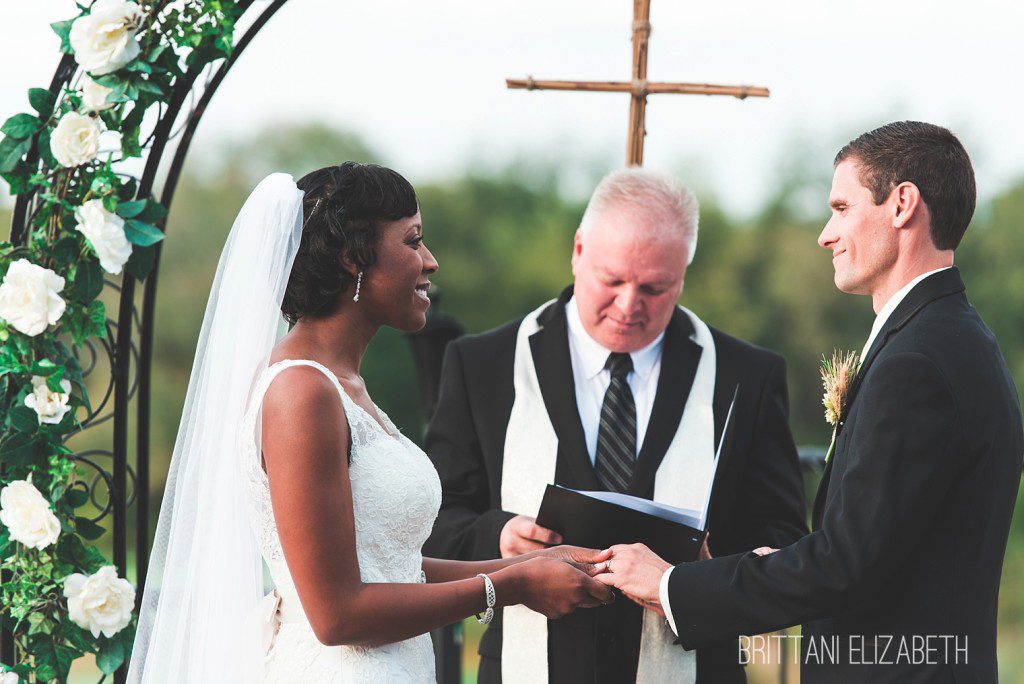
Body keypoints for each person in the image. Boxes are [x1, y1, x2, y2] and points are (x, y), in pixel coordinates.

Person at [127, 163, 614, 683]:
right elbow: (337, 617)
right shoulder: (302, 392)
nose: (431, 261)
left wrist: (528, 566)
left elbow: (393, 567)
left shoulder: (344, 385)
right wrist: (512, 588)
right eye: (413, 241)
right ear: (352, 257)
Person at [595, 122, 1024, 683]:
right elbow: (884, 544)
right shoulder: (954, 337)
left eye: (841, 208)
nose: (826, 234)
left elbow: (844, 563)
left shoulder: (916, 363)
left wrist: (670, 586)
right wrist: (752, 568)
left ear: (902, 205)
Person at [423, 167, 808, 683]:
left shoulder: (746, 376)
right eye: (613, 280)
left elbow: (784, 541)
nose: (629, 305)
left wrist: (715, 570)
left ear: (683, 273)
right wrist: (500, 537)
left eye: (654, 287)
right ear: (578, 250)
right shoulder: (483, 364)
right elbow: (432, 523)